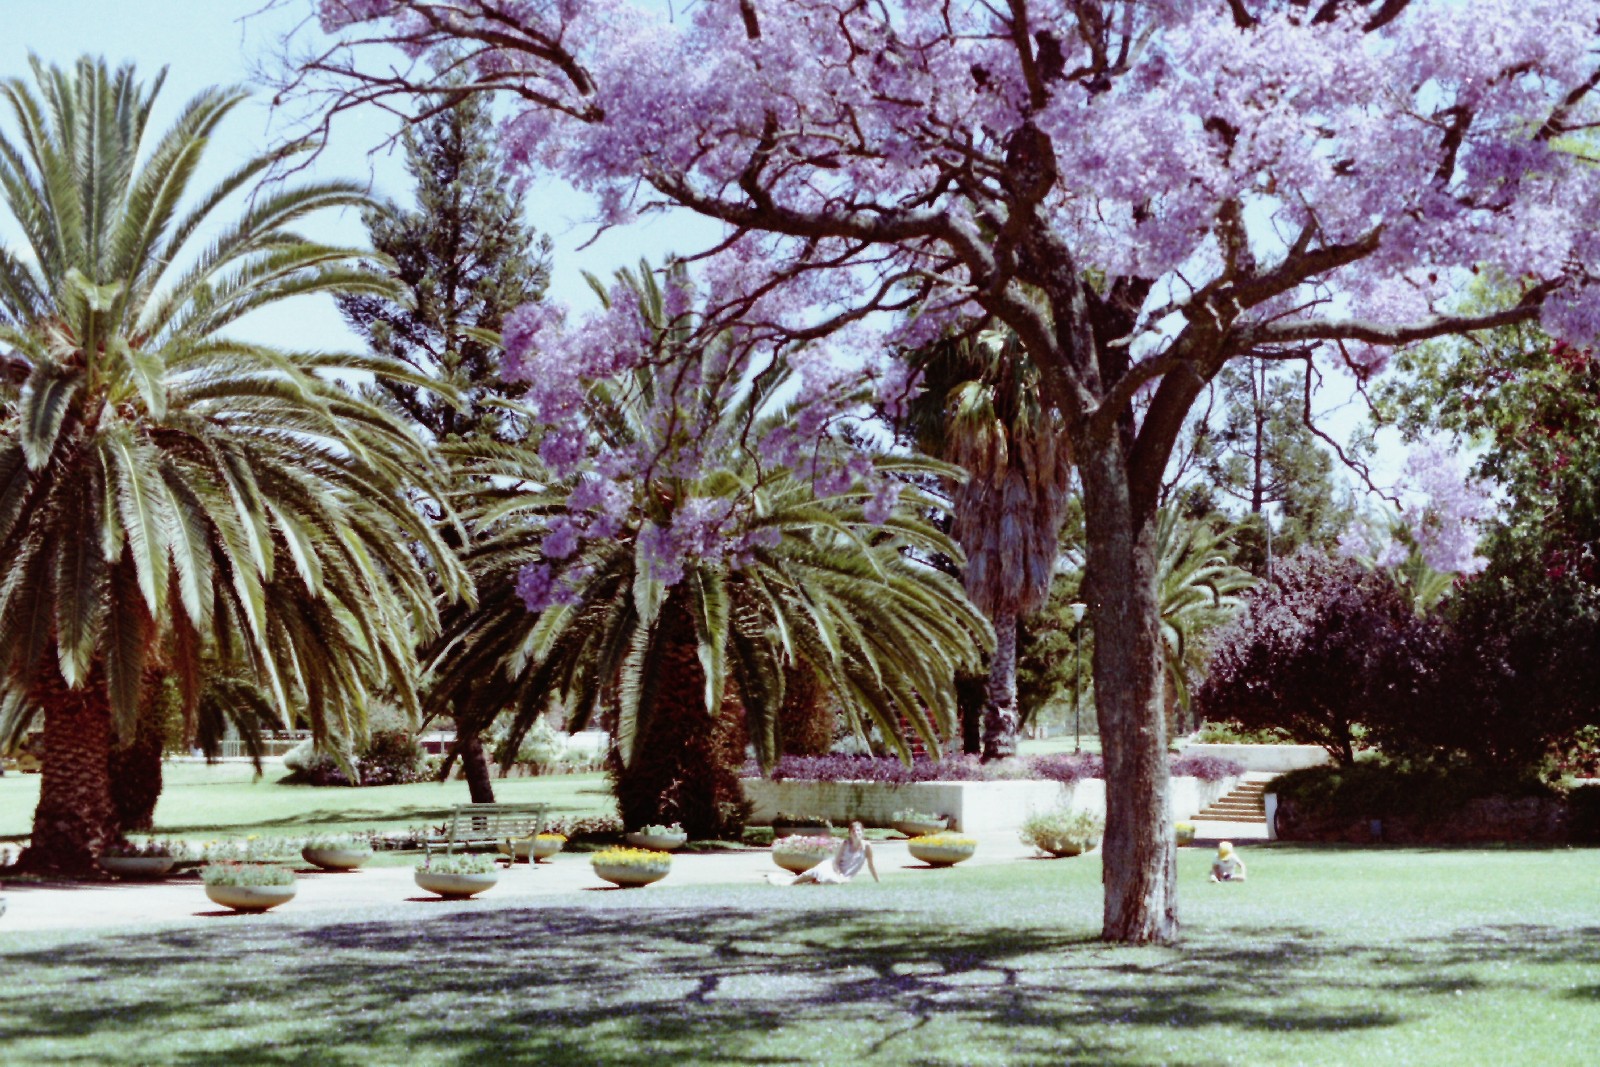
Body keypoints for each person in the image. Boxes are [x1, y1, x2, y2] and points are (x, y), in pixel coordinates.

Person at [771, 821, 879, 885]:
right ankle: (791, 882)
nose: (856, 833)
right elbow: (835, 863)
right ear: (850, 833)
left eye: (858, 831)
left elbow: (871, 865)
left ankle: (813, 882)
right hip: (833, 868)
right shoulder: (845, 844)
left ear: (862, 832)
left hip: (845, 875)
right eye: (853, 831)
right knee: (815, 873)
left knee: (833, 881)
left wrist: (877, 881)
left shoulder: (867, 846)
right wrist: (839, 875)